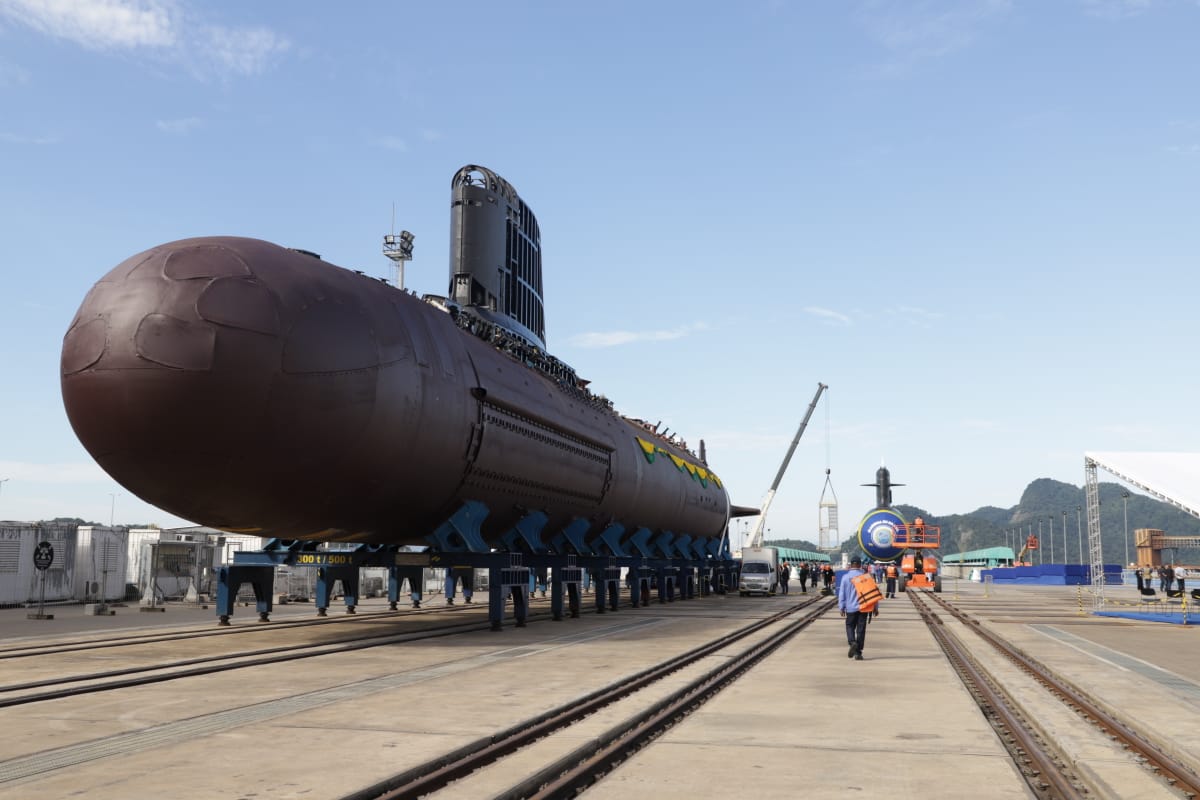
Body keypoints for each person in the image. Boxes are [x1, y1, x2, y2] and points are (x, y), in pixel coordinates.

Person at [838, 557, 880, 660]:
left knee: (850, 626)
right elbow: (873, 592)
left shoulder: (845, 578)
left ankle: (852, 642)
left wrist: (841, 607)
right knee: (861, 630)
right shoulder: (866, 577)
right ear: (860, 565)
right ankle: (858, 653)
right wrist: (875, 607)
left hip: (851, 608)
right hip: (864, 607)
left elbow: (841, 594)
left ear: (851, 565)